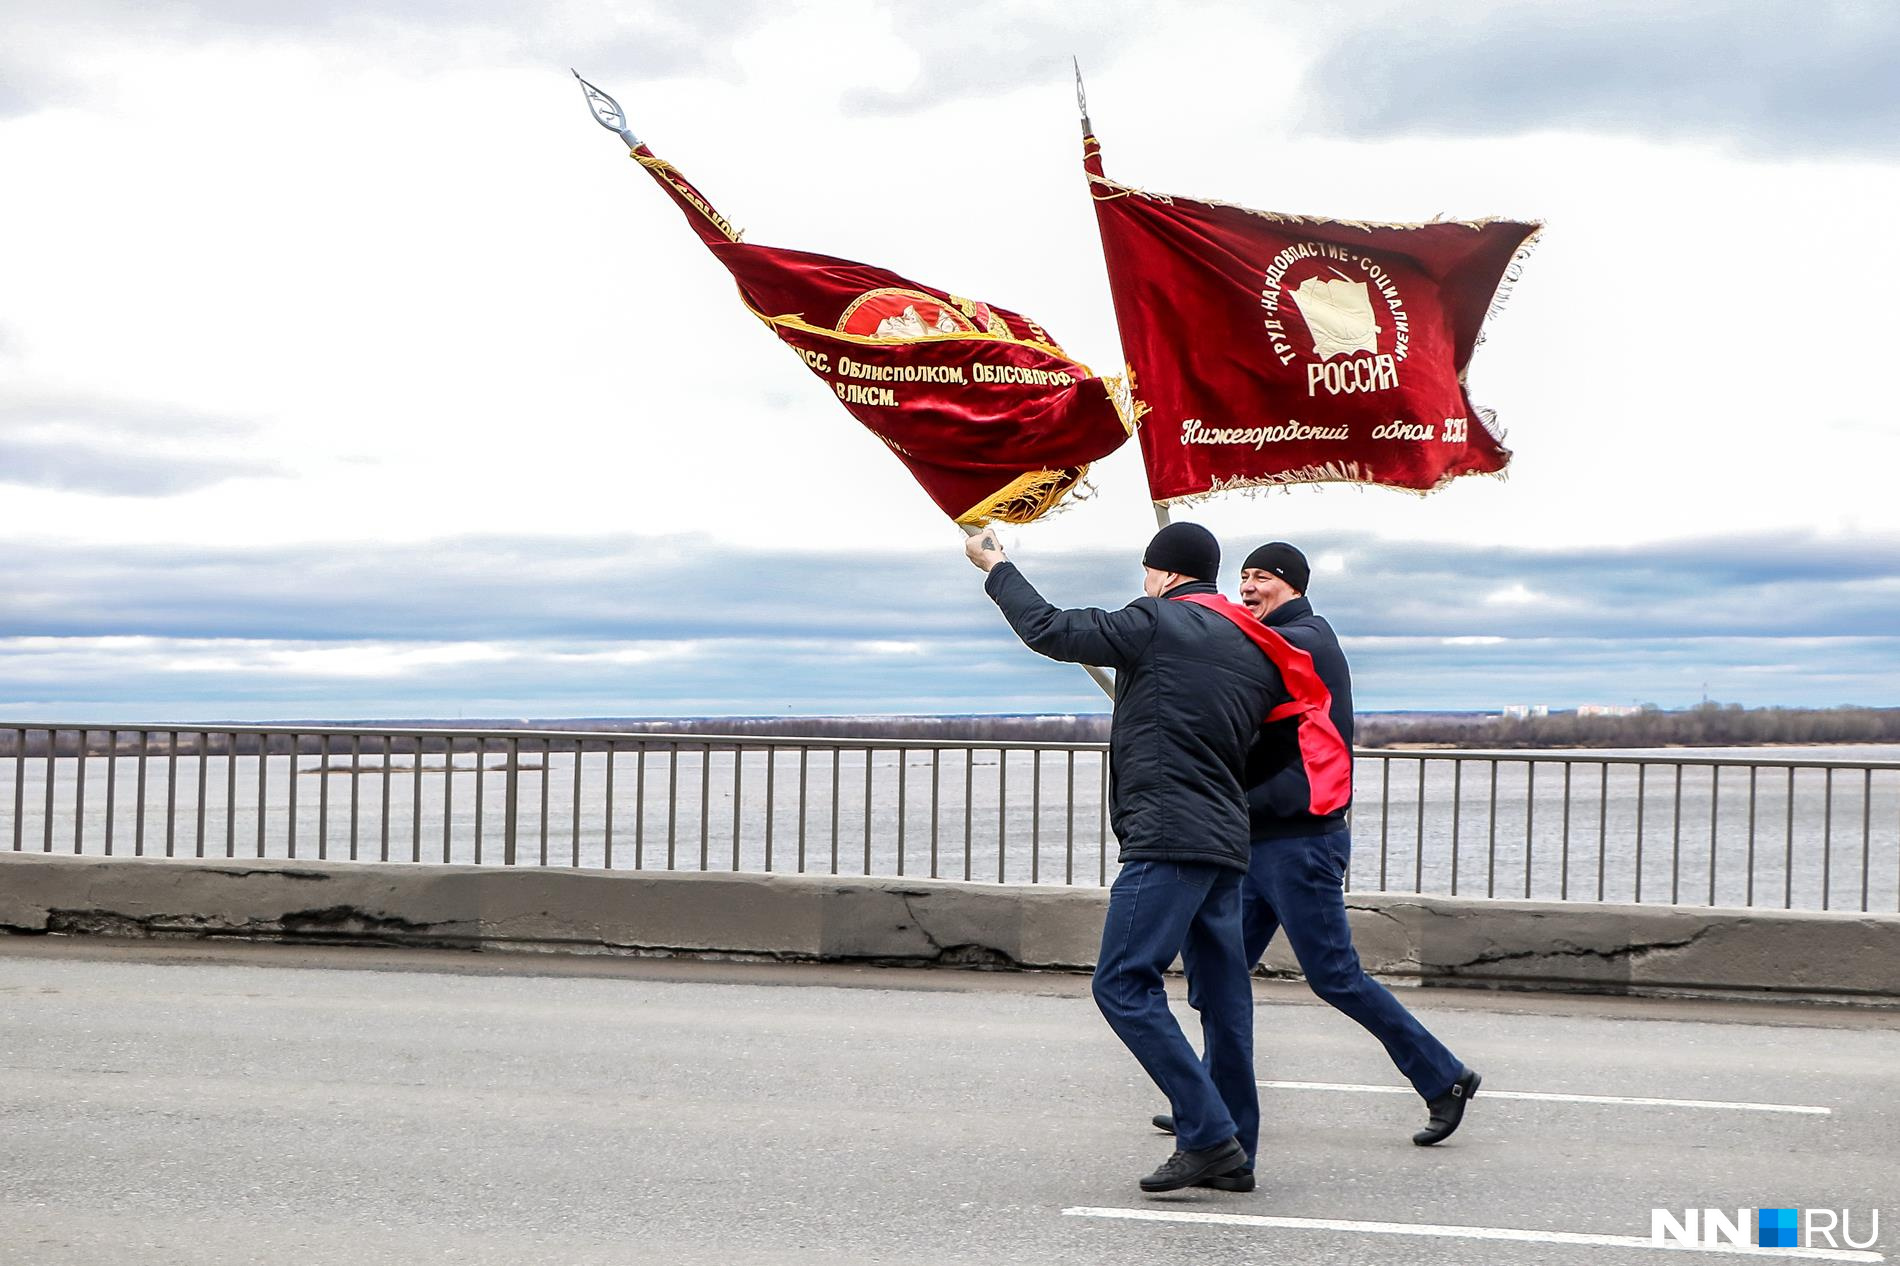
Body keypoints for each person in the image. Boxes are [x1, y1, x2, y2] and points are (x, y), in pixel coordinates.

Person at [964, 521, 1285, 1194]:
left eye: (1146, 572)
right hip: (1227, 840)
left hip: (1168, 836)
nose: (1144, 584)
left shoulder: (1156, 620)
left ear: (1164, 574)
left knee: (1122, 982)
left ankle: (1208, 1136)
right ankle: (1238, 1150)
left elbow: (1050, 629)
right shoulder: (1249, 645)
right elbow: (1260, 745)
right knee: (1224, 1000)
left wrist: (996, 567)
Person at [1156, 541, 1481, 1148]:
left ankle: (1444, 1077)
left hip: (1302, 840)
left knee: (1334, 975)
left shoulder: (1304, 638)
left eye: (1261, 579)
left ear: (1292, 585)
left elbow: (1229, 669)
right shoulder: (1278, 635)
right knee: (1219, 979)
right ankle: (1210, 1105)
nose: (1248, 588)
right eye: (1243, 577)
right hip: (1258, 838)